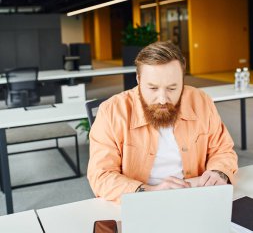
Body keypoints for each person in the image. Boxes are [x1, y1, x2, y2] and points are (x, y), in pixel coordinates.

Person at [87, 41, 238, 203]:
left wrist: (219, 172)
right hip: (142, 200)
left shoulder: (201, 101)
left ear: (182, 81)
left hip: (197, 194)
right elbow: (101, 175)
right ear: (138, 79)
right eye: (152, 88)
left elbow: (222, 149)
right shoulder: (111, 112)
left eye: (172, 88)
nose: (162, 99)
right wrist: (150, 191)